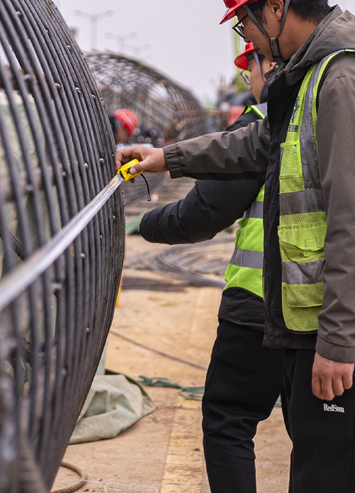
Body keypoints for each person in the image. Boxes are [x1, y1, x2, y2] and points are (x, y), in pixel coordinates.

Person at [116, 0, 355, 492]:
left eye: (244, 22)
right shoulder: (310, 76)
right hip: (334, 316)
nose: (248, 39)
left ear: (275, 6)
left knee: (345, 478)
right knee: (319, 473)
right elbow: (255, 146)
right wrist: (165, 158)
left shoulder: (344, 79)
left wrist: (338, 342)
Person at [136, 42, 277, 493]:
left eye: (248, 70)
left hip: (260, 302)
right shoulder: (335, 108)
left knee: (229, 421)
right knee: (315, 433)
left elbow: (204, 211)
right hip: (326, 305)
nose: (248, 83)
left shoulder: (267, 120)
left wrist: (142, 224)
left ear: (268, 64)